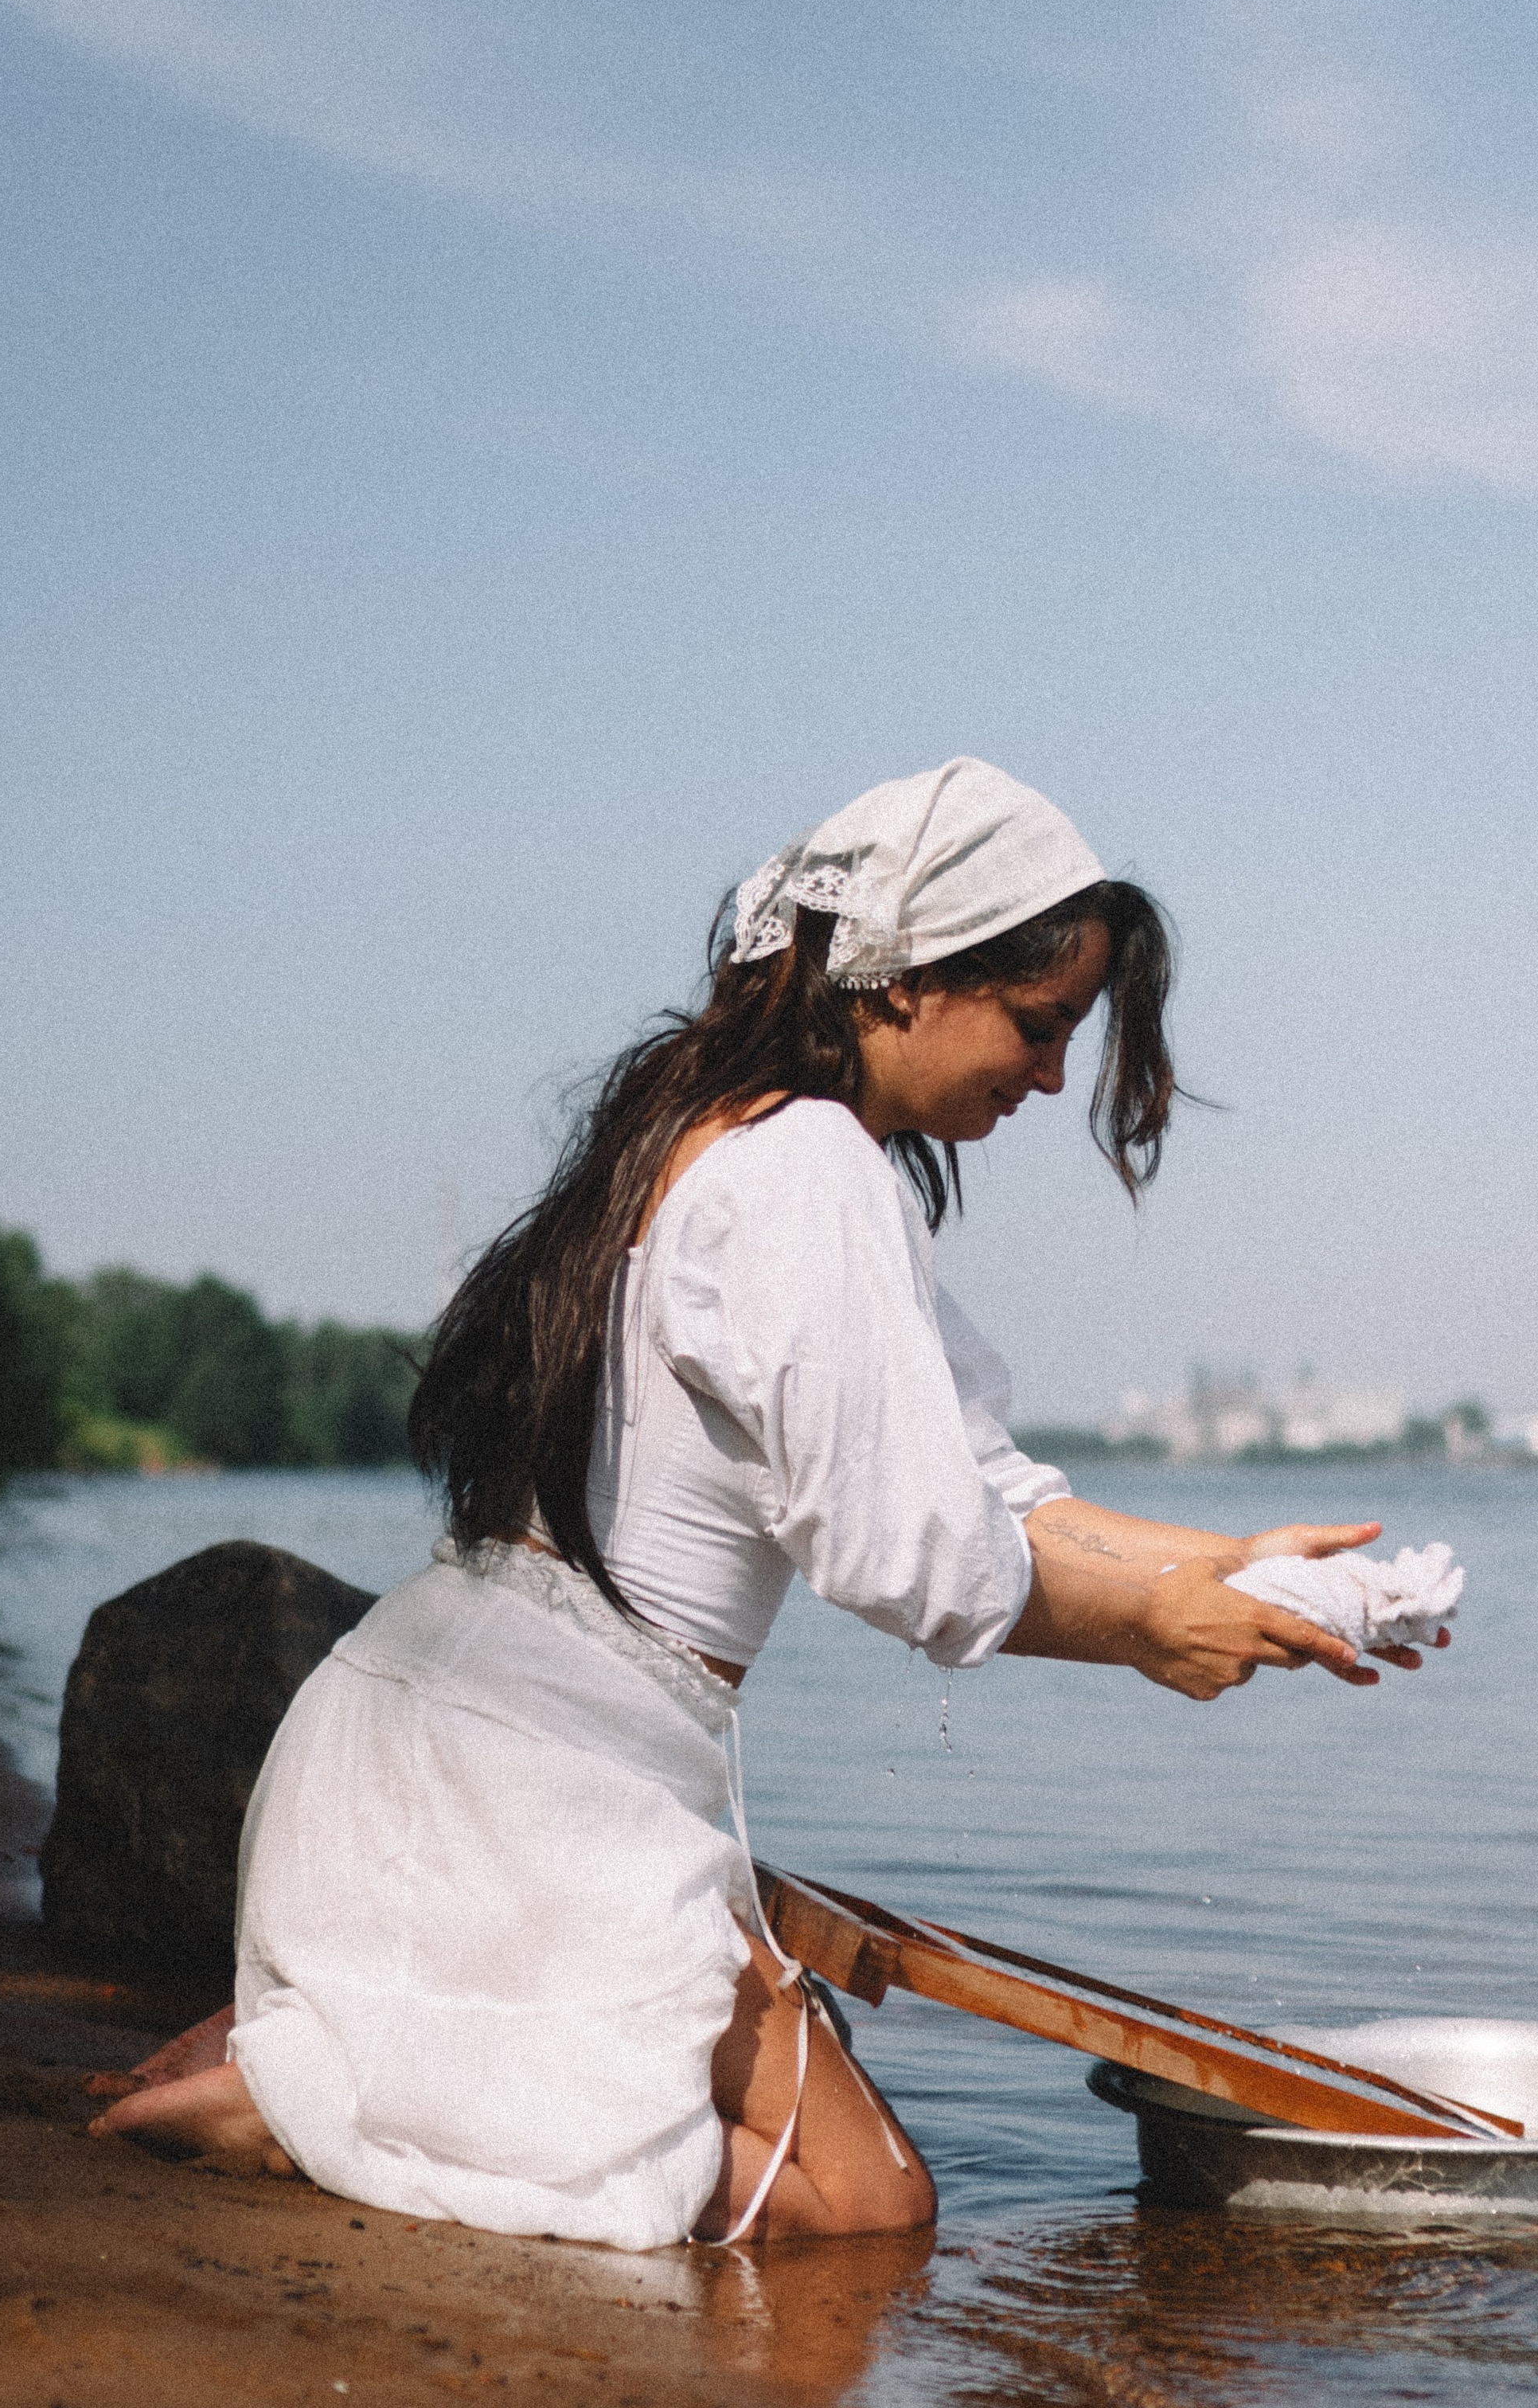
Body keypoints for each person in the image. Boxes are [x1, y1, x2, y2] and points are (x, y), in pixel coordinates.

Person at [95, 759, 1433, 2245]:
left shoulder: (719, 1133)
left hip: (434, 1748)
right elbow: (915, 1558)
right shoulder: (809, 1171)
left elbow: (993, 1493)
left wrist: (1242, 1566)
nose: (1052, 1078)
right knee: (865, 2213)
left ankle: (360, 2064)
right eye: (1040, 1027)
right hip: (534, 1798)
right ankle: (315, 2106)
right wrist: (1151, 1629)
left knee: (815, 2178)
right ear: (911, 980)